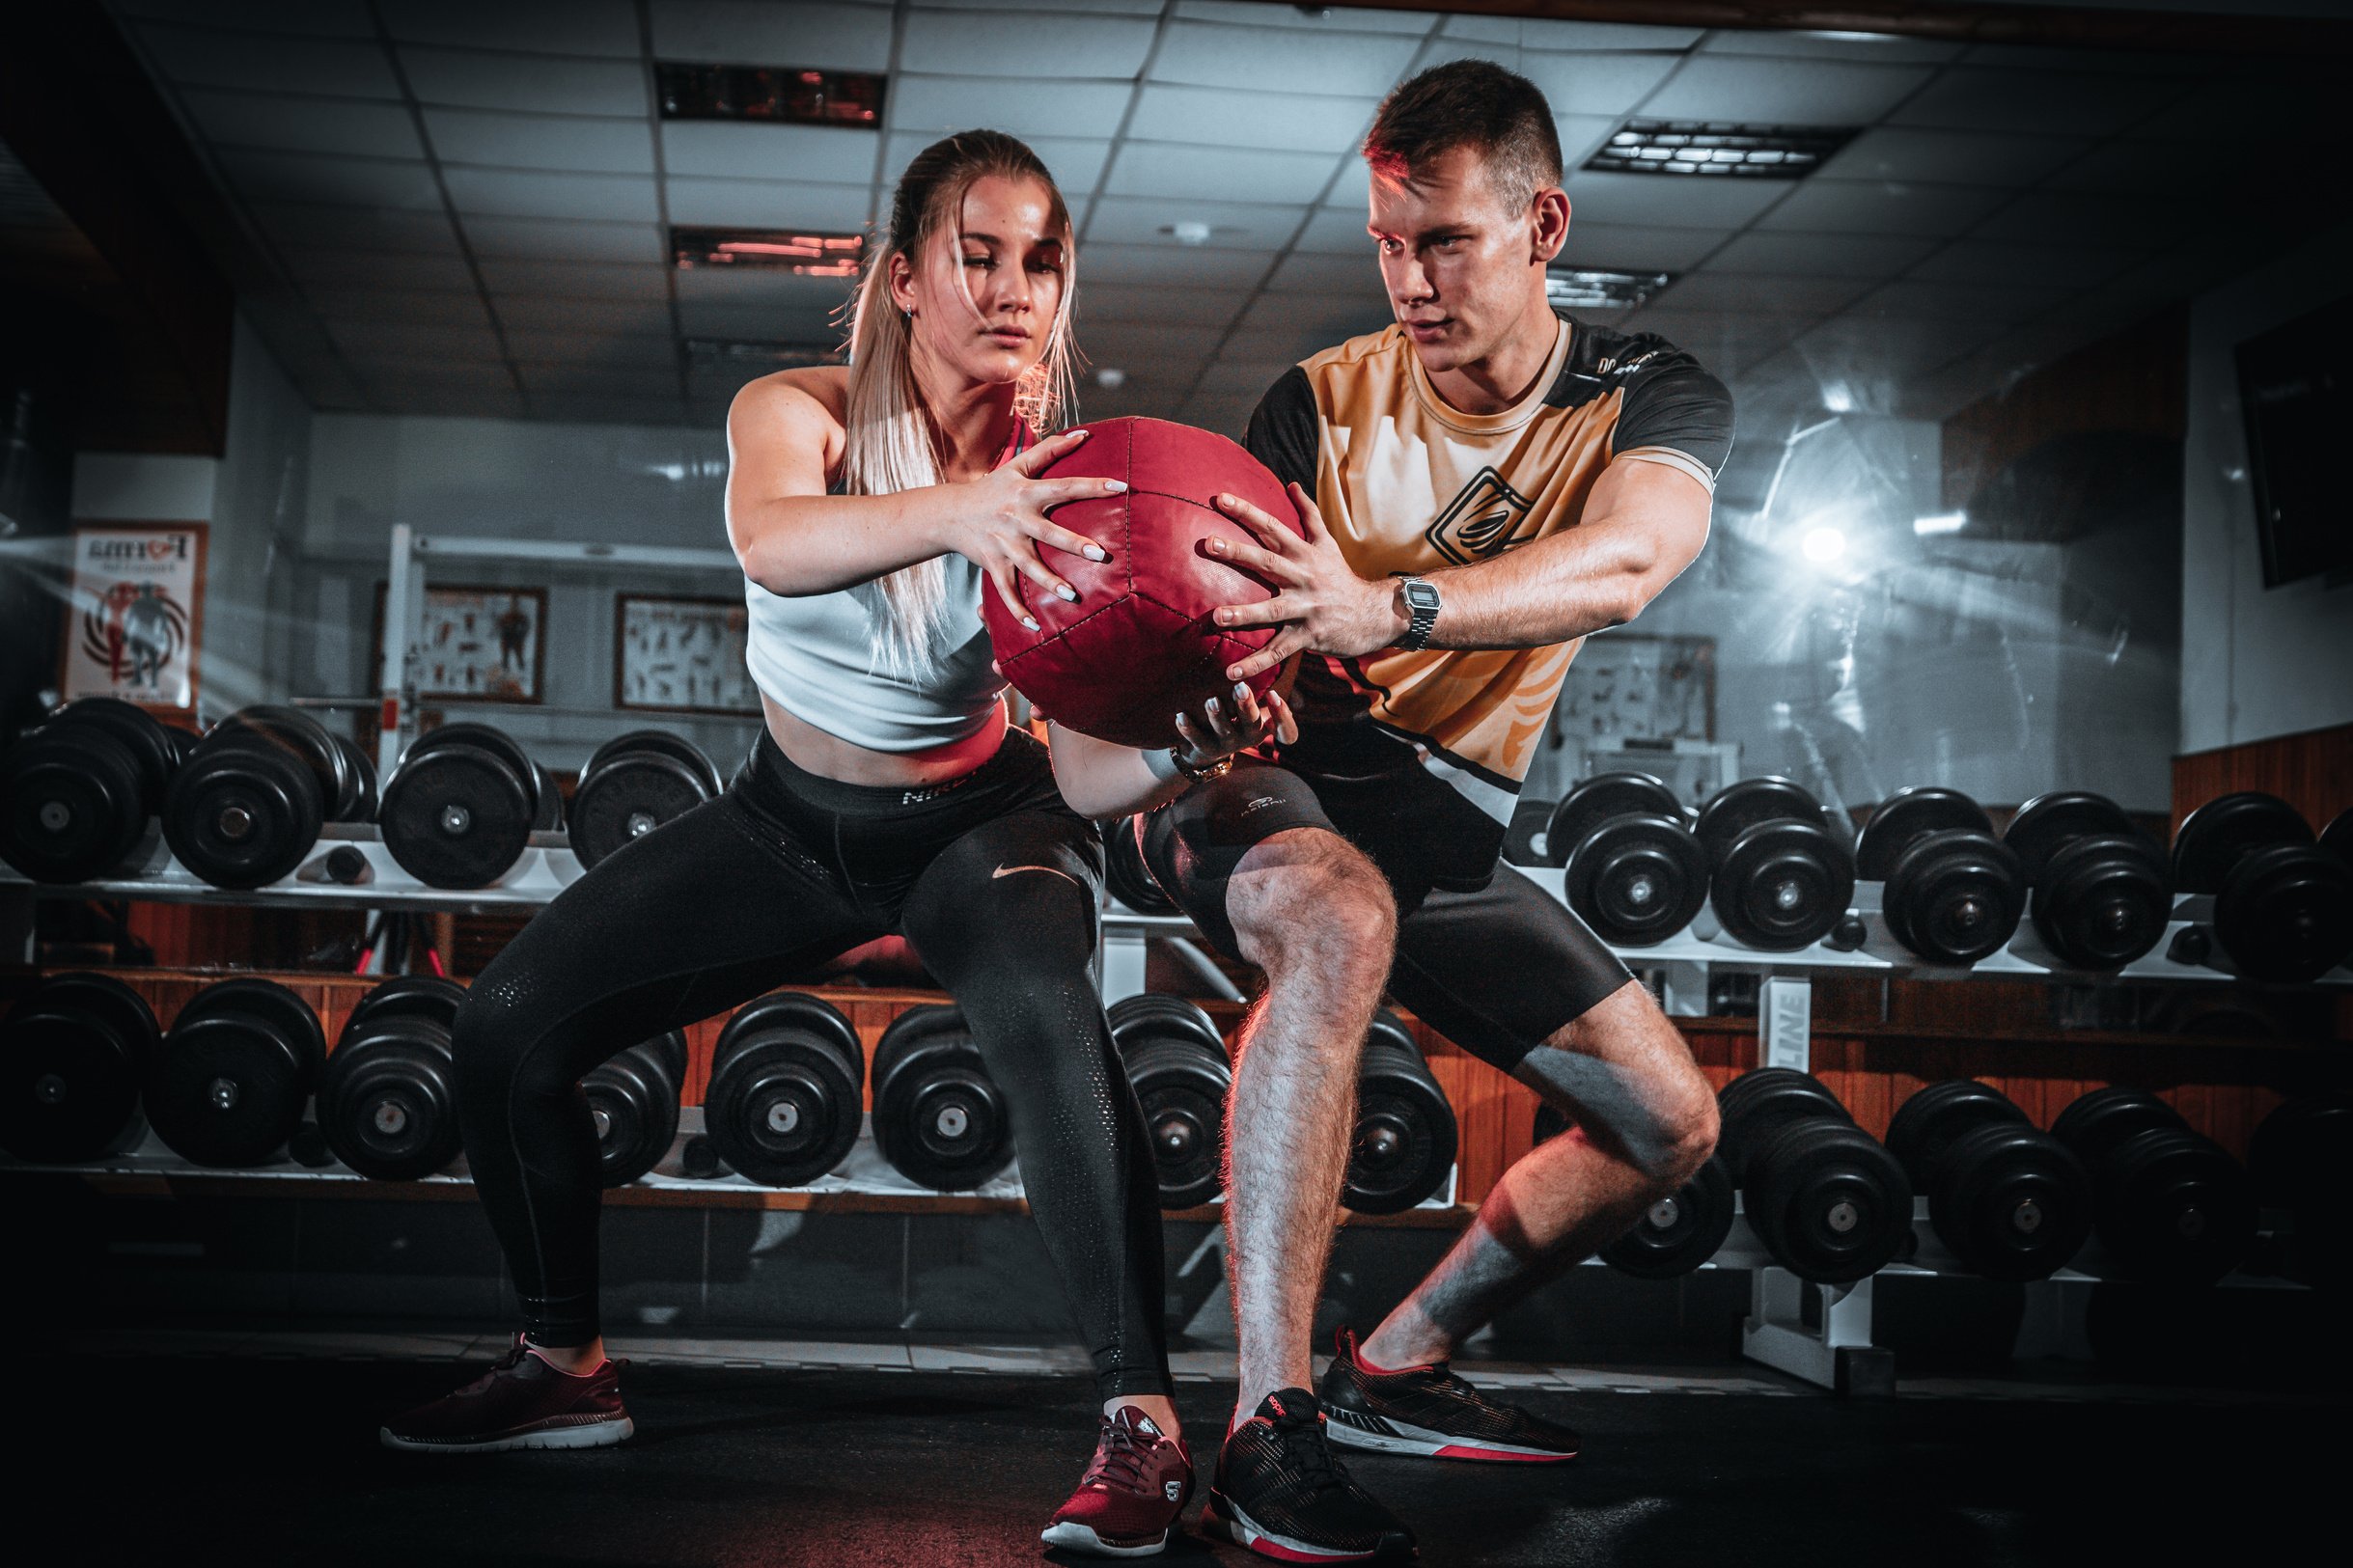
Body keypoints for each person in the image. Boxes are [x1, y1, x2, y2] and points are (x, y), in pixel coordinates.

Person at [378, 128, 1287, 1561]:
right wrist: (962, 511)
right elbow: (772, 541)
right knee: (500, 1030)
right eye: (974, 254)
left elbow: (1096, 767)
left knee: (1060, 1022)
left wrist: (1195, 737)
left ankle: (1146, 1432)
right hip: (787, 824)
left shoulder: (1072, 482)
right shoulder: (792, 412)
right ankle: (564, 1366)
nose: (1010, 287)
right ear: (905, 279)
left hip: (980, 824)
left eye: (1038, 259)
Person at [1060, 61, 1732, 1563]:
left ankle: (1393, 1367)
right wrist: (1226, 690)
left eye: (1445, 241)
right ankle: (1265, 1423)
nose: (1408, 279)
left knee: (1667, 1122)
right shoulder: (1317, 400)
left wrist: (1391, 603)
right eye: (1385, 241)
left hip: (1433, 820)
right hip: (1264, 780)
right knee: (1337, 914)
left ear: (1542, 222)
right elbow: (1241, 635)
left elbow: (1628, 561)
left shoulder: (1644, 393)